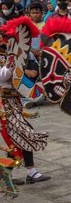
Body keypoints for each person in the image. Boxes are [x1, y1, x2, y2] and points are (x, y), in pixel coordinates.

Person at [0, 19, 50, 184]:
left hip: (14, 102)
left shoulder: (17, 54)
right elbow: (4, 76)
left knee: (20, 134)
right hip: (3, 104)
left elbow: (31, 73)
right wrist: (12, 66)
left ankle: (29, 172)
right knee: (20, 134)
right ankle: (18, 173)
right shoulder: (9, 57)